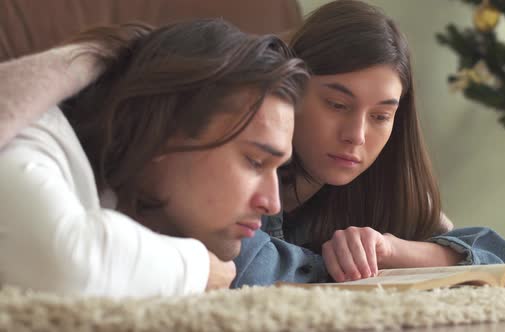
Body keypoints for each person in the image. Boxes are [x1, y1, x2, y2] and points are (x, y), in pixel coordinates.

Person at [0, 19, 307, 296]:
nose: (272, 203)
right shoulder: (28, 136)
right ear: (164, 131)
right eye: (255, 161)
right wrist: (198, 269)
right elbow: (63, 267)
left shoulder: (123, 193)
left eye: (277, 169)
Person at [231, 0, 505, 286]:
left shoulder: (387, 186)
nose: (356, 135)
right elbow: (247, 264)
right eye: (337, 105)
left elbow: (499, 258)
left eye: (380, 116)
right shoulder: (236, 165)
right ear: (290, 89)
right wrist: (340, 267)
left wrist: (391, 250)